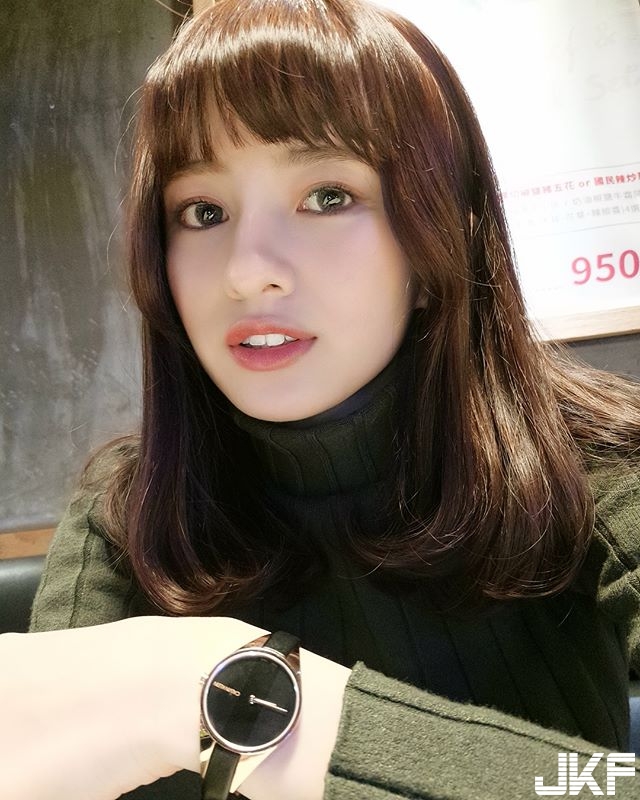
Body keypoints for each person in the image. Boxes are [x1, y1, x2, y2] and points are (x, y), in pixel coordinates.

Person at [9, 0, 640, 796]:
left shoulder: (601, 467)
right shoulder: (130, 508)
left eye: (328, 196)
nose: (247, 272)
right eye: (203, 212)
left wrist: (212, 696)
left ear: (439, 238)